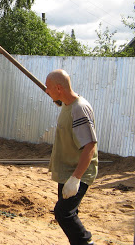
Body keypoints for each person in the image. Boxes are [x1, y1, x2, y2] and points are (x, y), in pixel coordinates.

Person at [45, 69, 98, 245]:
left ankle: (85, 242)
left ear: (59, 88)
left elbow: (90, 145)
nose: (46, 91)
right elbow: (64, 106)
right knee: (69, 214)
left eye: (48, 88)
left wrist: (76, 178)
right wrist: (57, 99)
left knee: (63, 213)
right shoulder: (67, 105)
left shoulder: (79, 109)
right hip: (67, 169)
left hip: (78, 171)